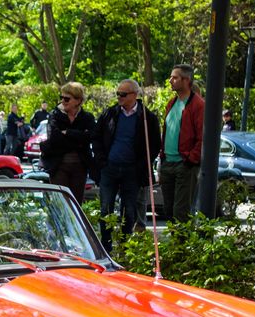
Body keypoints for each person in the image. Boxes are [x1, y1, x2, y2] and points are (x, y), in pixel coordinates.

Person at [91, 79, 161, 251]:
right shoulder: (110, 113)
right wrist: (102, 161)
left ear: (134, 95)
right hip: (110, 168)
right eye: (118, 94)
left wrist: (142, 165)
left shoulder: (147, 118)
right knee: (105, 209)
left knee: (129, 211)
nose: (119, 97)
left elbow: (154, 144)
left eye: (123, 94)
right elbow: (97, 137)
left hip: (132, 171)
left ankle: (124, 247)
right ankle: (106, 247)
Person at [158, 64, 205, 221]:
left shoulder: (198, 105)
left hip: (184, 164)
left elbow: (202, 136)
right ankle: (175, 245)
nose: (170, 80)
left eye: (174, 77)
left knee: (181, 212)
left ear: (186, 80)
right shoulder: (171, 103)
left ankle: (181, 245)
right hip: (167, 163)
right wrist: (162, 157)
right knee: (169, 210)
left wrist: (191, 159)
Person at [41, 82, 96, 204]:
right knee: (59, 203)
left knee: (76, 204)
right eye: (61, 98)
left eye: (66, 98)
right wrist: (79, 138)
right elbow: (54, 139)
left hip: (80, 167)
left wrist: (68, 133)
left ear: (78, 101)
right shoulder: (54, 115)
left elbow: (91, 137)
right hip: (58, 166)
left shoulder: (87, 117)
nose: (63, 101)